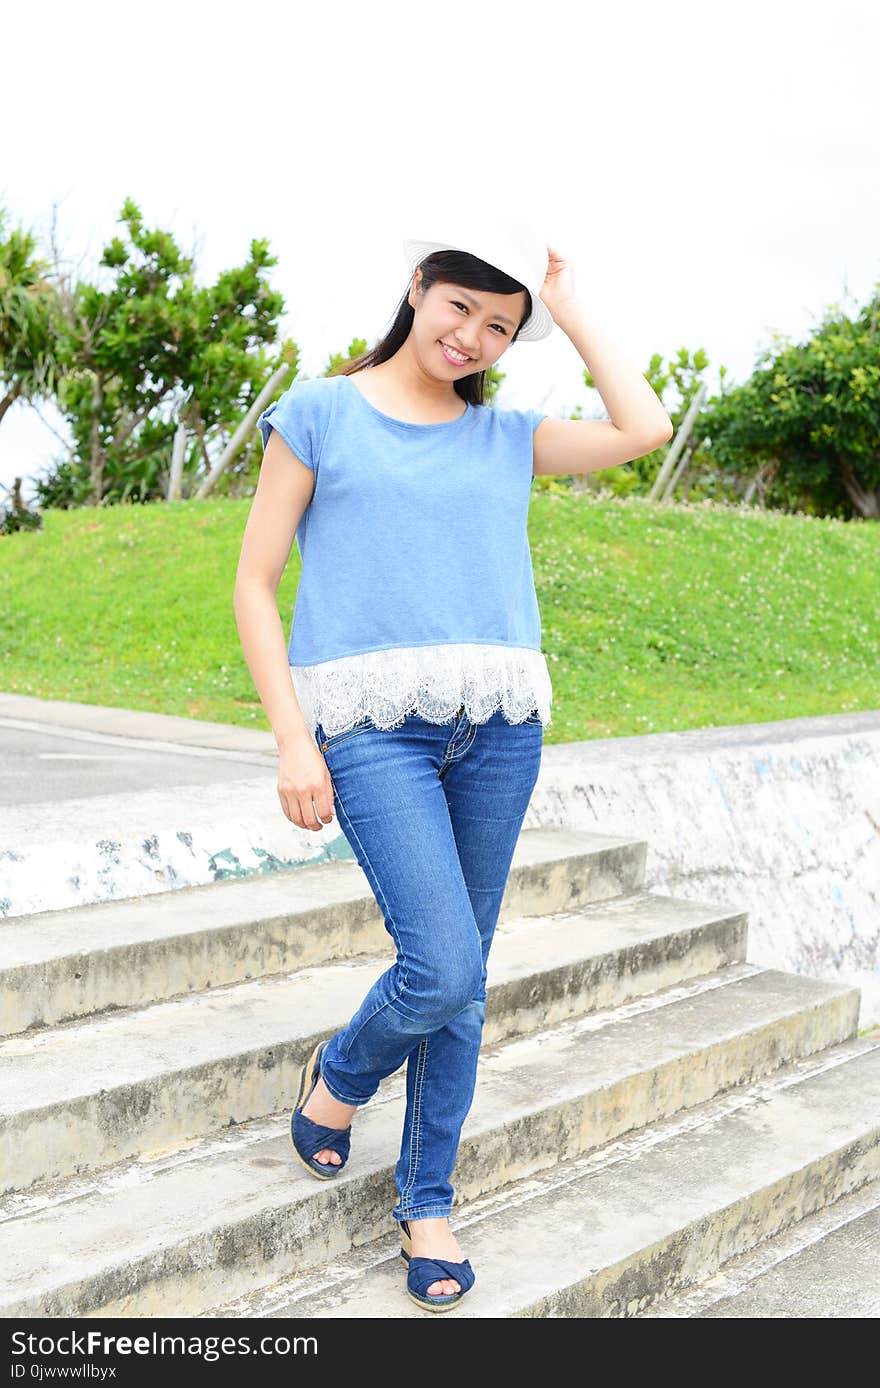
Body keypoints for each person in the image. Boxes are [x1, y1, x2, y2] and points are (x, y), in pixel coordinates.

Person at [233, 215, 673, 1313]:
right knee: (438, 964)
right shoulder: (322, 409)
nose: (472, 335)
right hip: (373, 727)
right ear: (419, 286)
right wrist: (294, 736)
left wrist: (566, 315)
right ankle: (339, 1075)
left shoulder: (506, 433)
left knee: (463, 983)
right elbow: (253, 582)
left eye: (499, 325)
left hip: (501, 725)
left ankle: (427, 1198)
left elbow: (644, 425)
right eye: (460, 307)